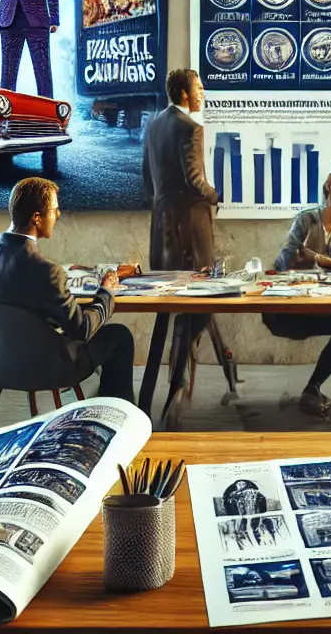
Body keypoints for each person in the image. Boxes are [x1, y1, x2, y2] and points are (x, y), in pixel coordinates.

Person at [0, 177, 137, 402]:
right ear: (36, 218)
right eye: (54, 210)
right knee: (120, 336)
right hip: (46, 366)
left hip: (1, 364)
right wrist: (106, 292)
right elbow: (83, 330)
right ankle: (116, 416)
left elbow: (11, 295)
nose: (57, 215)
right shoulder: (47, 271)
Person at [142, 68, 219, 425]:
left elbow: (147, 179)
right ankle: (178, 379)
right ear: (185, 94)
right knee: (200, 304)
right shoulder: (192, 128)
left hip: (161, 231)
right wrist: (216, 195)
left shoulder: (154, 126)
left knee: (168, 310)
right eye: (199, 86)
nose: (203, 91)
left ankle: (161, 386)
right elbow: (195, 180)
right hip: (191, 233)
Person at [266, 173, 331, 420]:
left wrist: (313, 257)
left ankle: (313, 388)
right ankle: (312, 392)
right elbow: (286, 262)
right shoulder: (306, 220)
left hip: (322, 305)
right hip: (287, 311)